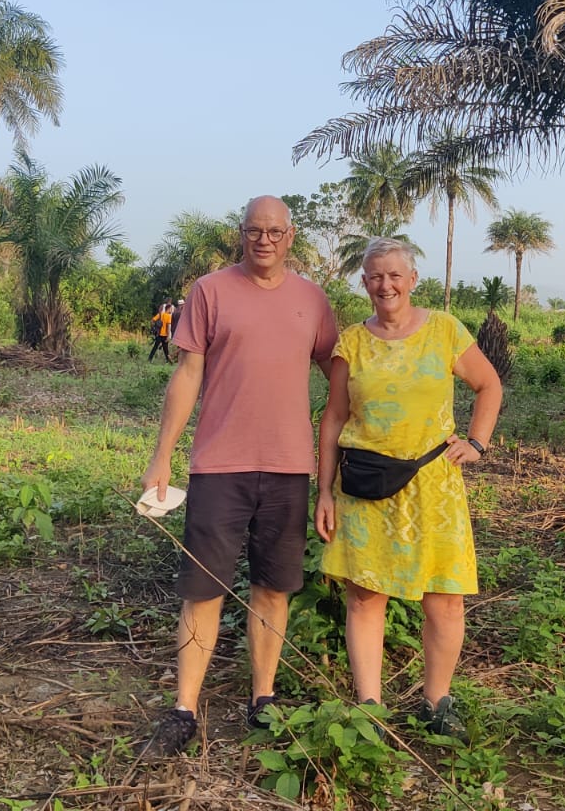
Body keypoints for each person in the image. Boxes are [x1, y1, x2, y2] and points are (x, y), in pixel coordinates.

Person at [139, 196, 339, 757]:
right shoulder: (210, 291)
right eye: (254, 230)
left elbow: (339, 371)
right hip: (218, 467)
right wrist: (163, 455)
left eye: (275, 231)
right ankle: (184, 708)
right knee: (203, 591)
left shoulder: (311, 300)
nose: (265, 240)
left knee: (273, 589)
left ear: (291, 236)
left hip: (287, 469)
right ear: (242, 234)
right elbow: (187, 374)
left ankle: (264, 697)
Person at [314, 238, 501, 741]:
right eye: (375, 275)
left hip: (433, 485)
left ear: (413, 280)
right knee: (364, 596)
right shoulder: (351, 342)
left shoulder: (443, 330)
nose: (385, 284)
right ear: (364, 283)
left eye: (395, 275)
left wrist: (477, 442)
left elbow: (489, 385)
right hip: (365, 484)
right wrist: (324, 490)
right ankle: (369, 707)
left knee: (445, 598)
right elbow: (333, 417)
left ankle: (437, 702)